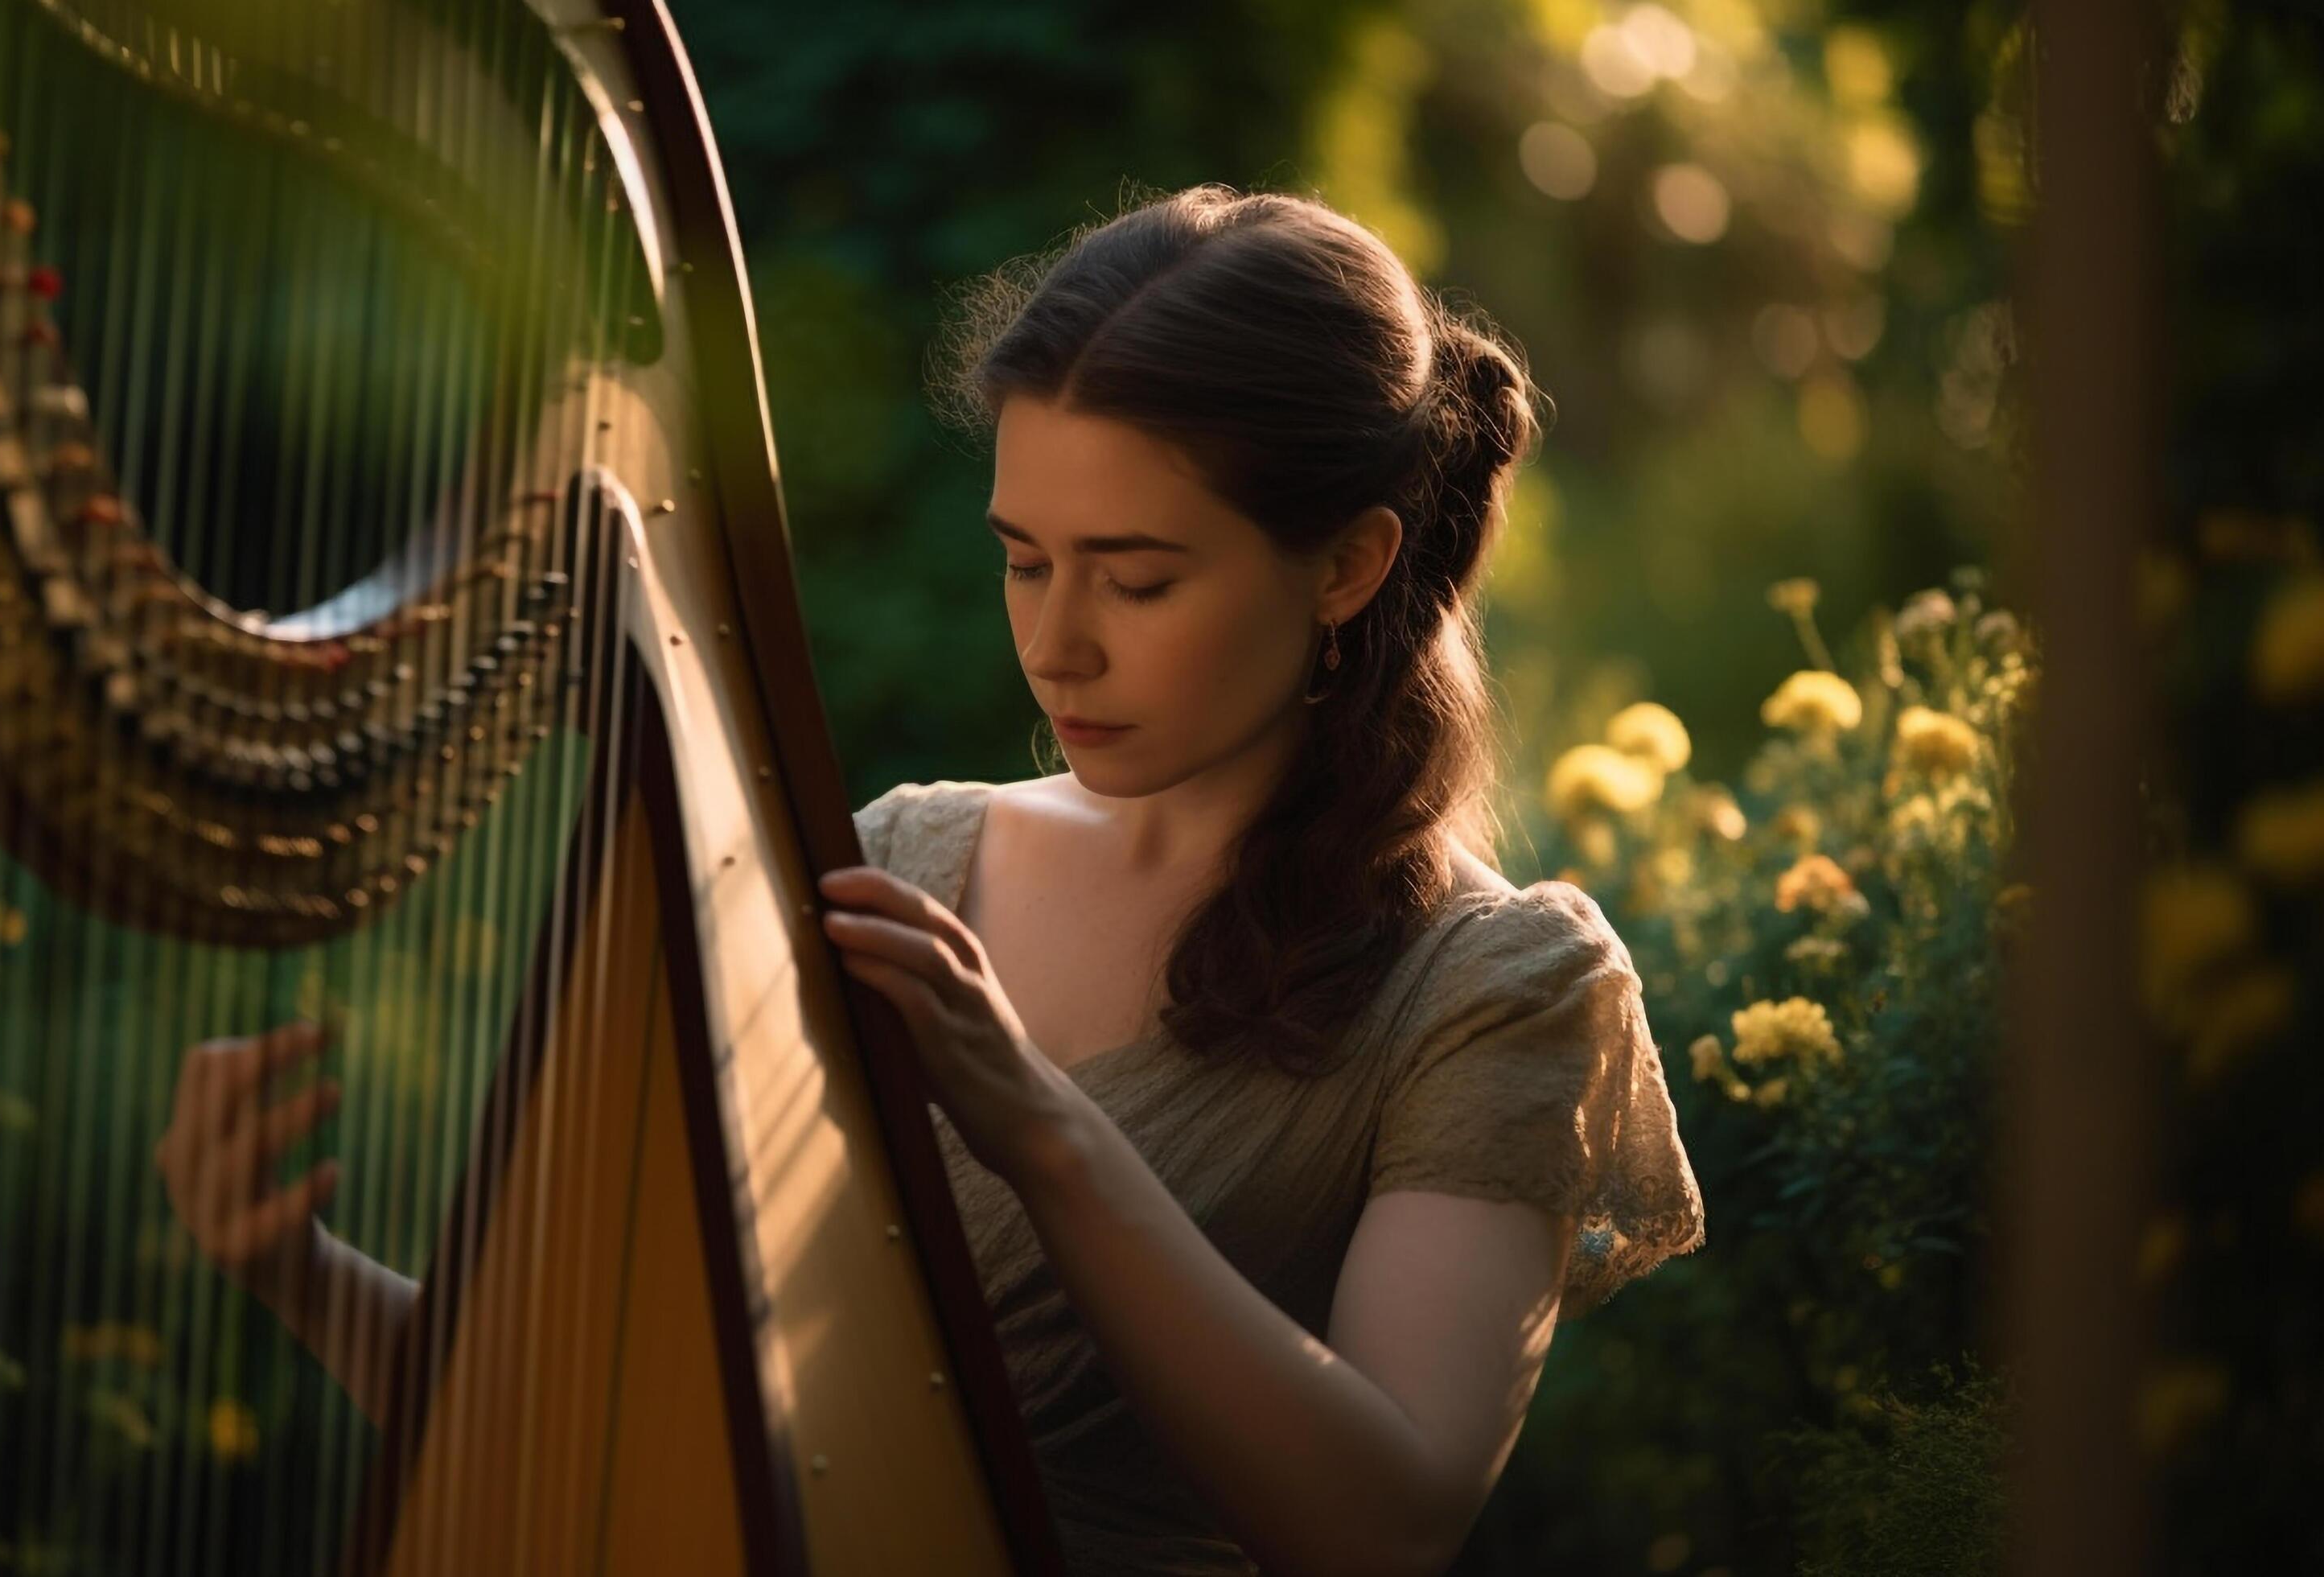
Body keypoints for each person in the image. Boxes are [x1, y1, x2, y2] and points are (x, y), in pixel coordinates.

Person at [158, 183, 1705, 1575]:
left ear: (1349, 566)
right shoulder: (909, 861)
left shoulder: (1491, 985)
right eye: (1024, 558)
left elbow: (1381, 1522)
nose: (1055, 642)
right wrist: (296, 1272)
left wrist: (1038, 1125)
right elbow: (645, 1446)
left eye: (1138, 575)